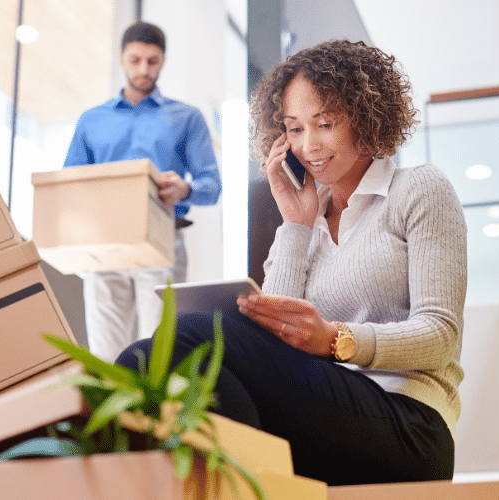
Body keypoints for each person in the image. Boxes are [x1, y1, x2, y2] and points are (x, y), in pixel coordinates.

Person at [117, 40, 467, 485]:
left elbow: (441, 333)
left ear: (365, 115)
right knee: (144, 357)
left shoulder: (418, 188)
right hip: (328, 416)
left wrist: (336, 340)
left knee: (191, 336)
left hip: (411, 425)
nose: (309, 146)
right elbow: (278, 334)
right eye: (294, 129)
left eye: (325, 124)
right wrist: (296, 225)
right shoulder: (309, 214)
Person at [64, 22, 221, 361]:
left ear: (162, 61)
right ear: (121, 59)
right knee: (107, 355)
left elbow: (212, 187)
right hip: (105, 246)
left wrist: (185, 188)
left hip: (162, 241)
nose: (143, 69)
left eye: (152, 61)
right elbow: (70, 185)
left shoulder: (187, 117)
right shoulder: (91, 121)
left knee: (160, 351)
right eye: (135, 60)